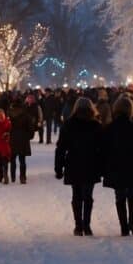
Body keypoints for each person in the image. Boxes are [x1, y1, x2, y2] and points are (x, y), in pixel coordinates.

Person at [55, 97, 103, 236]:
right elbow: (102, 147)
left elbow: (61, 147)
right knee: (88, 195)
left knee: (76, 195)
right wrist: (102, 166)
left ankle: (78, 225)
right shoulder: (95, 125)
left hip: (73, 162)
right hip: (91, 163)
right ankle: (87, 225)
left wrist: (59, 167)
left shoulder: (69, 124)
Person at [102, 96, 133, 236]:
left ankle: (123, 226)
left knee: (119, 196)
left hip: (115, 165)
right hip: (131, 165)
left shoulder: (109, 128)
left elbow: (104, 149)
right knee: (132, 195)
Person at [9, 99, 34, 183]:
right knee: (22, 160)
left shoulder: (10, 114)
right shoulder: (26, 115)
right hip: (23, 139)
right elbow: (30, 127)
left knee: (12, 159)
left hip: (12, 138)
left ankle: (12, 176)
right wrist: (29, 136)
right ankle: (22, 177)